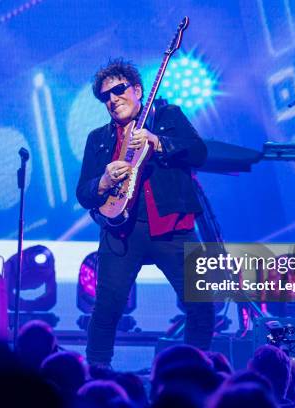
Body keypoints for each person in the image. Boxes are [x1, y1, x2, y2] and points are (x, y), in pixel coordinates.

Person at [76, 58, 214, 367]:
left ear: (137, 90)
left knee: (201, 303)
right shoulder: (98, 139)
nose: (112, 100)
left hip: (172, 228)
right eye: (105, 97)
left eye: (119, 90)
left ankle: (195, 371)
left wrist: (158, 142)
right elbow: (83, 193)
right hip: (122, 233)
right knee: (107, 306)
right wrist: (103, 181)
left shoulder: (167, 116)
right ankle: (97, 372)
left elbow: (199, 152)